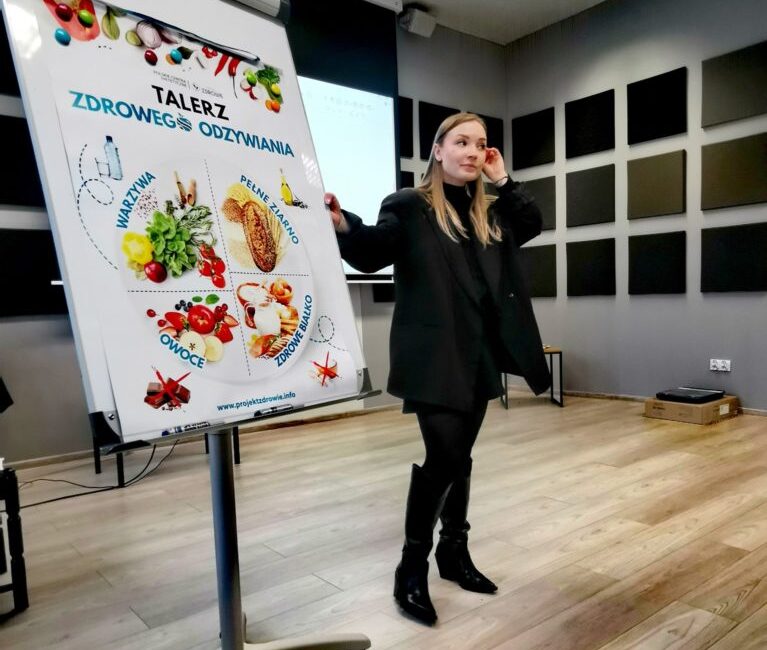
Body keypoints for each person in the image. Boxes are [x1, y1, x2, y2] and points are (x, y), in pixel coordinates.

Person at [325, 112, 550, 625]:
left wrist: (502, 178)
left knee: (460, 457)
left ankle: (453, 551)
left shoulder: (488, 213)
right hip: (433, 356)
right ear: (438, 149)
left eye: (481, 144)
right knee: (445, 458)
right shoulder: (409, 205)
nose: (472, 151)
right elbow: (371, 252)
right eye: (462, 142)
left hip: (479, 354)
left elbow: (532, 223)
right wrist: (342, 224)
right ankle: (411, 567)